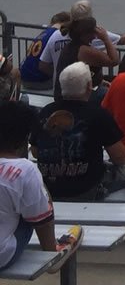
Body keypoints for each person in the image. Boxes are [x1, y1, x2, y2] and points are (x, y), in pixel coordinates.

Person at [32, 63, 125, 199]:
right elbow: (121, 158)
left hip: (49, 187)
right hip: (86, 190)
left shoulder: (46, 111)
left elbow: (35, 152)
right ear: (89, 87)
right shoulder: (99, 114)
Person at [0, 101, 73, 271]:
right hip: (2, 255)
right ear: (23, 138)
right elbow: (42, 221)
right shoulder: (25, 170)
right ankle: (51, 253)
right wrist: (50, 253)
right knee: (34, 211)